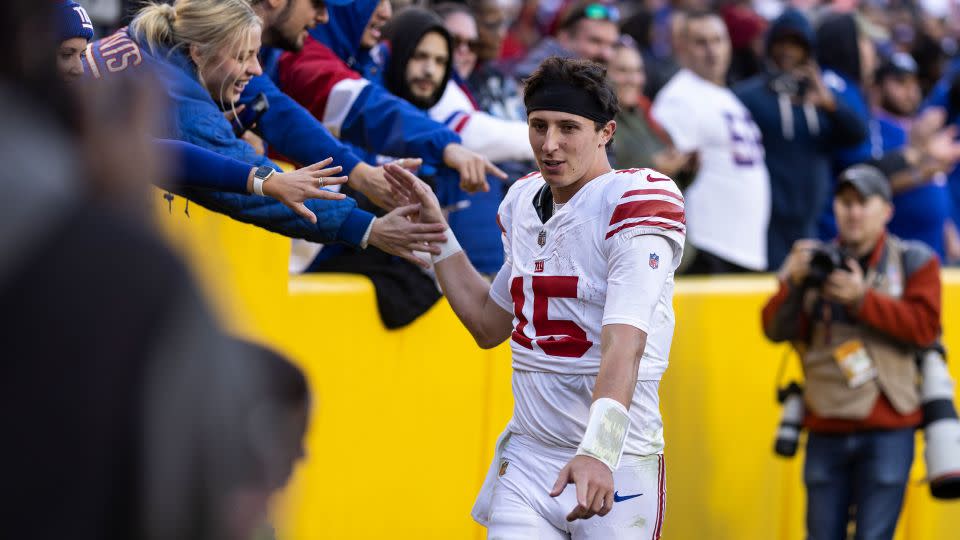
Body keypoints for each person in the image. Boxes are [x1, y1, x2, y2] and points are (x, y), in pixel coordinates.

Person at [383, 56, 684, 539]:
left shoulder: (634, 203)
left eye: (569, 127)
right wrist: (439, 234)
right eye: (538, 125)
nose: (550, 144)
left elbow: (624, 346)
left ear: (607, 132)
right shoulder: (524, 202)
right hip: (529, 456)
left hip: (616, 459)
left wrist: (598, 451)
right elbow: (487, 324)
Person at [86, 0, 447, 267]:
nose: (255, 69)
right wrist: (368, 228)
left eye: (257, 56)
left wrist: (359, 174)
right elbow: (242, 186)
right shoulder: (176, 93)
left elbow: (273, 108)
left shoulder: (157, 41)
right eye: (244, 57)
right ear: (198, 52)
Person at [762, 164, 942, 540]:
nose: (854, 212)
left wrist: (863, 300)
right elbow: (775, 329)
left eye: (864, 203)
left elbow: (924, 329)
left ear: (886, 210)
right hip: (826, 423)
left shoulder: (914, 261)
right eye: (845, 203)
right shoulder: (814, 263)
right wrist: (792, 283)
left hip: (890, 427)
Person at [733, 7, 867, 270]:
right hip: (767, 221)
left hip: (811, 222)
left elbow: (857, 134)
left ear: (809, 50)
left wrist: (829, 104)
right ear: (770, 45)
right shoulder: (749, 96)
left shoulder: (820, 99)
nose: (788, 51)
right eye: (782, 42)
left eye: (796, 44)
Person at [652, 11, 770, 273]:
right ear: (681, 49)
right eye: (701, 42)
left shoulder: (724, 95)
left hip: (743, 246)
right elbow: (670, 172)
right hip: (709, 244)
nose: (712, 50)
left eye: (718, 40)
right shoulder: (679, 97)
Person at [872, 53, 960, 262]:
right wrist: (923, 166)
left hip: (936, 252)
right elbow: (875, 183)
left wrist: (950, 236)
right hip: (899, 254)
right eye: (900, 83)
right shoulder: (875, 129)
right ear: (878, 88)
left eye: (914, 83)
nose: (910, 91)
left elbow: (937, 184)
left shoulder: (919, 126)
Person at [607, 36, 687, 174]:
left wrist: (687, 168)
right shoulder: (599, 120)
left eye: (638, 71)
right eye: (622, 70)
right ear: (604, 73)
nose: (633, 80)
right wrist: (654, 166)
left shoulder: (646, 113)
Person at [512, 1, 620, 80]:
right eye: (595, 41)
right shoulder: (536, 81)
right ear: (564, 37)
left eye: (612, 45)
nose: (607, 54)